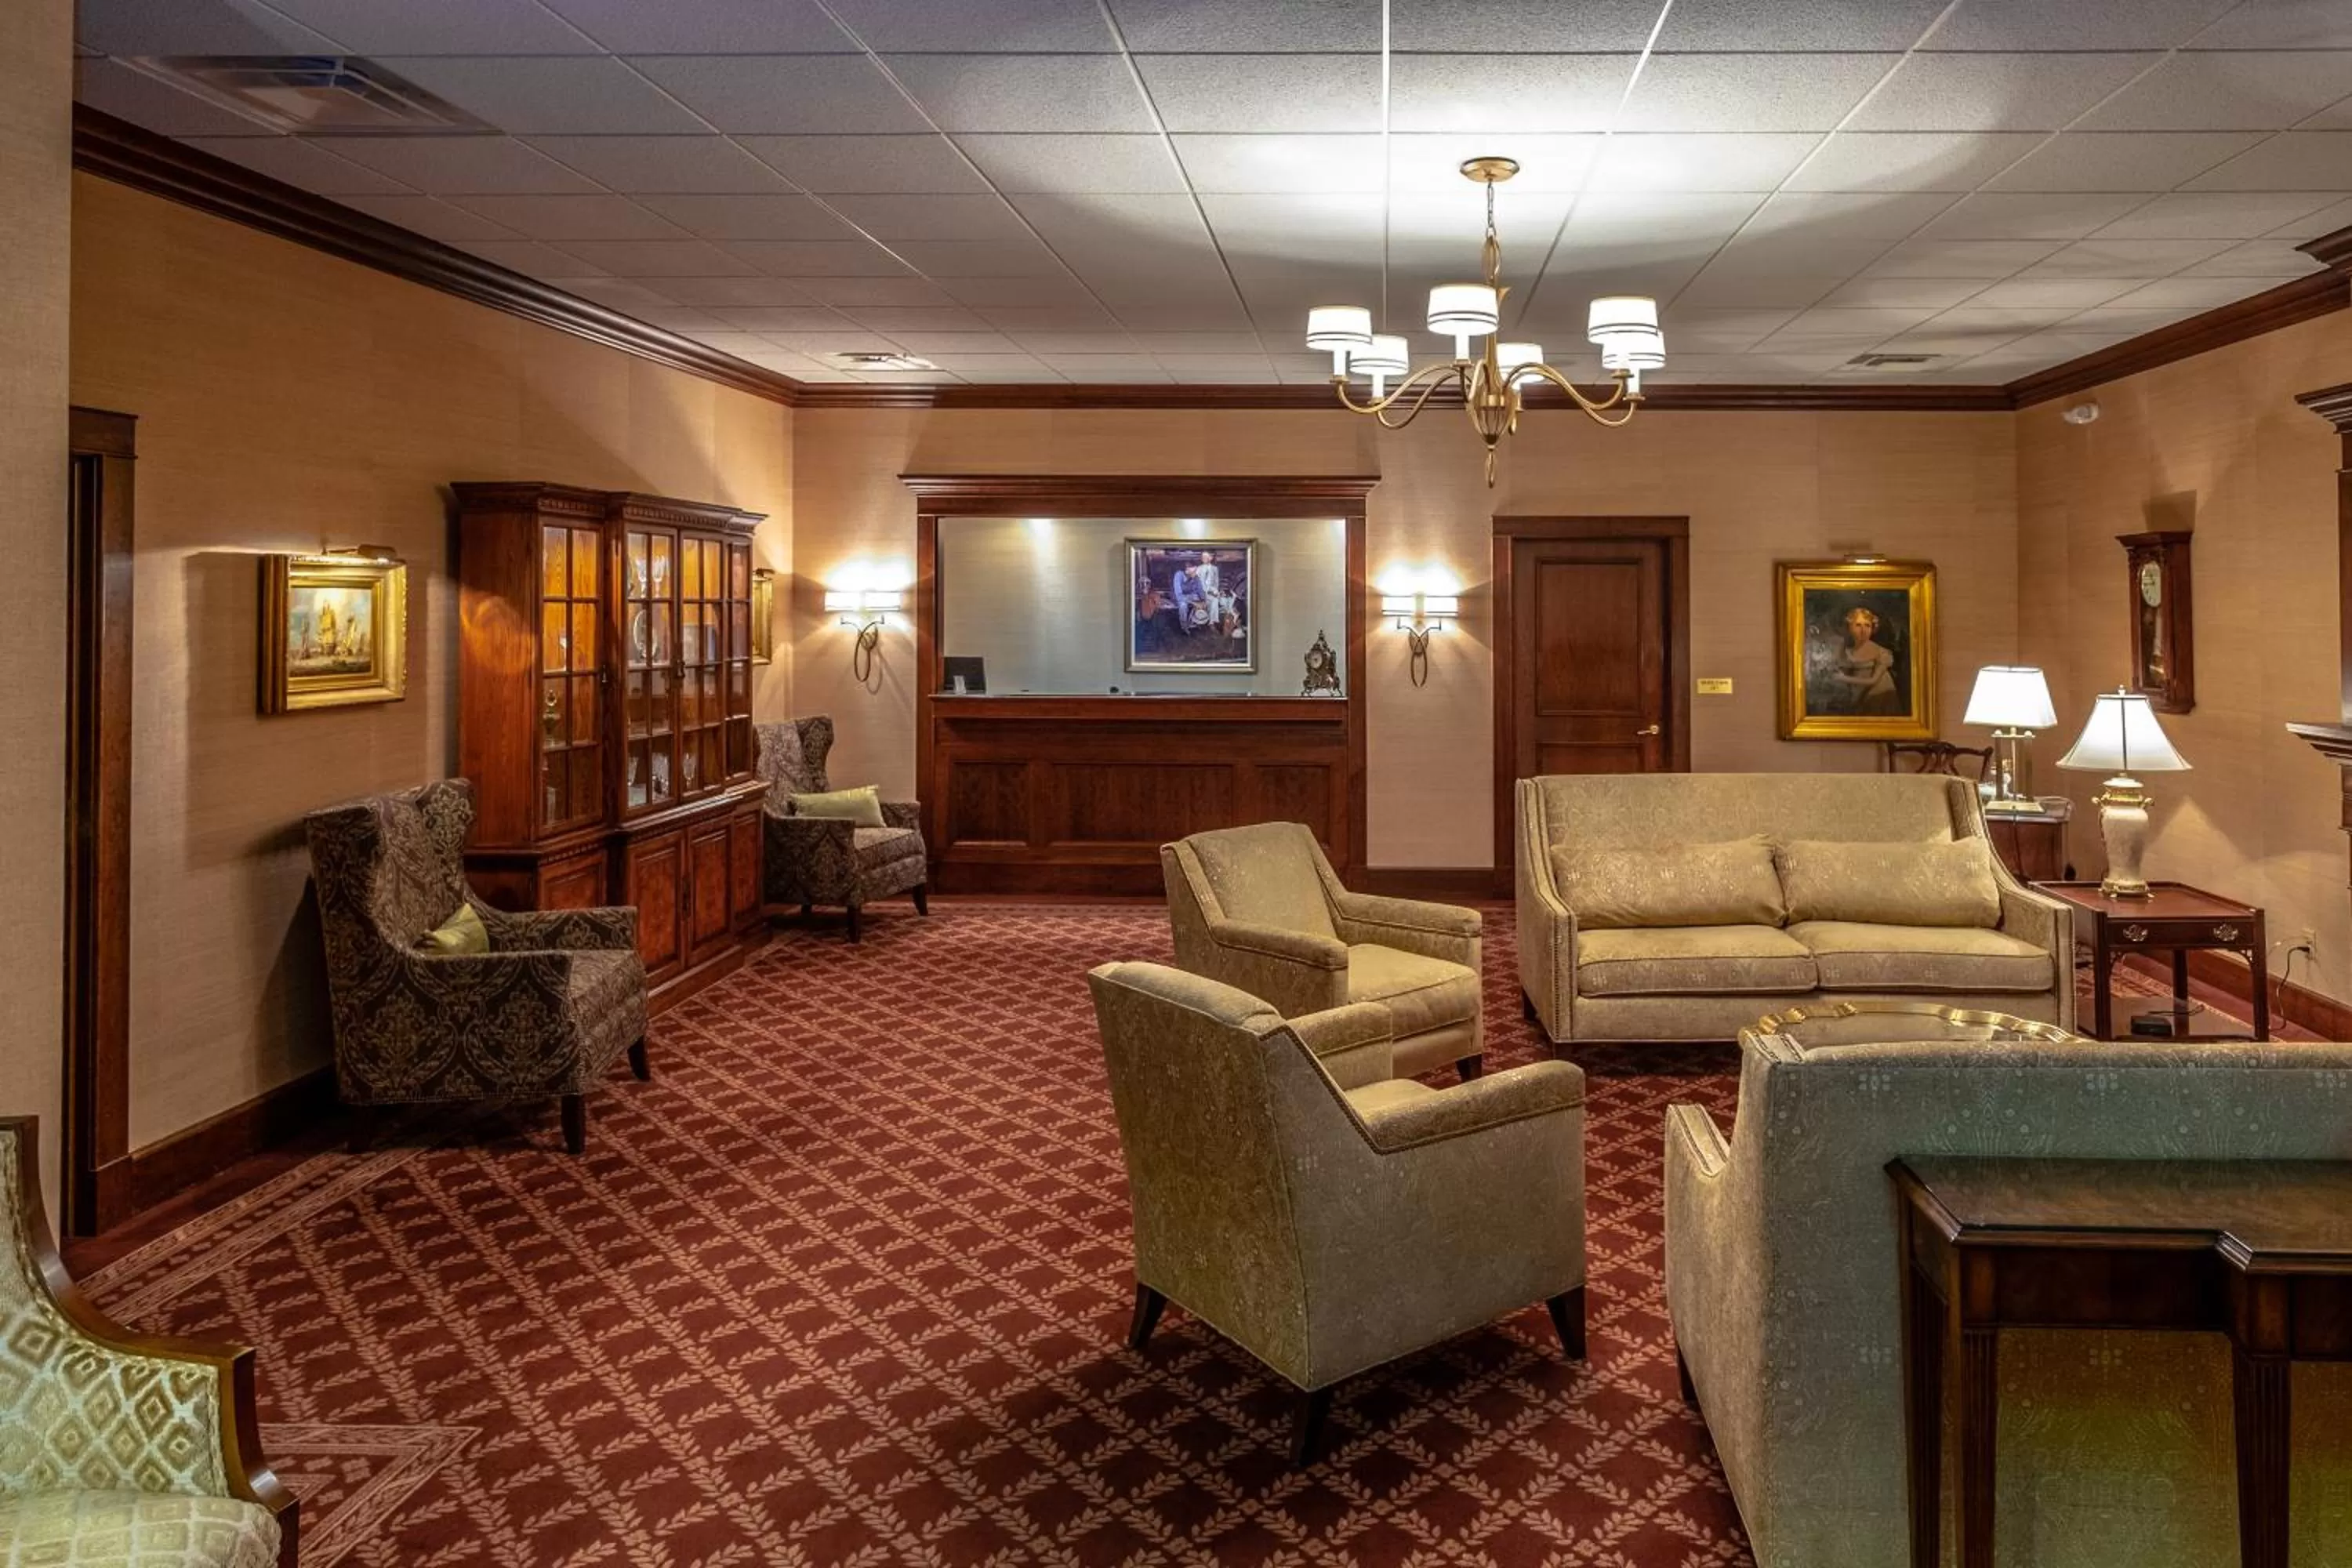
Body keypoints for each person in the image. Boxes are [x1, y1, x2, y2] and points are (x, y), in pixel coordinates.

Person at [1824, 605, 1900, 713]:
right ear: (1849, 627)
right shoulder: (1846, 649)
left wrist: (1843, 678)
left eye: (1868, 626)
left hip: (1879, 694)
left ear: (1873, 628)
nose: (1863, 630)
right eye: (1858, 625)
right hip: (1858, 693)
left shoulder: (1881, 652)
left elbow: (1873, 681)